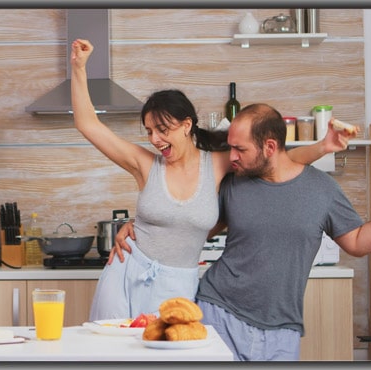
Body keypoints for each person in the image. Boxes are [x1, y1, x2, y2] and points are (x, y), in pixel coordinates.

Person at [116, 103, 371, 361]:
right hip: (218, 313)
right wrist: (140, 228)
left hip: (282, 330)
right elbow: (190, 224)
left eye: (240, 149)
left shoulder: (321, 190)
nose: (231, 157)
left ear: (270, 147)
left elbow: (358, 241)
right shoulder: (235, 182)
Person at [70, 38, 355, 321]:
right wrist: (79, 68)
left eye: (162, 129)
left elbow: (277, 160)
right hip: (126, 271)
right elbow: (88, 124)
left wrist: (323, 146)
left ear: (186, 125)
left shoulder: (217, 164)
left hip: (179, 284)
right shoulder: (145, 165)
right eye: (148, 131)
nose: (155, 139)